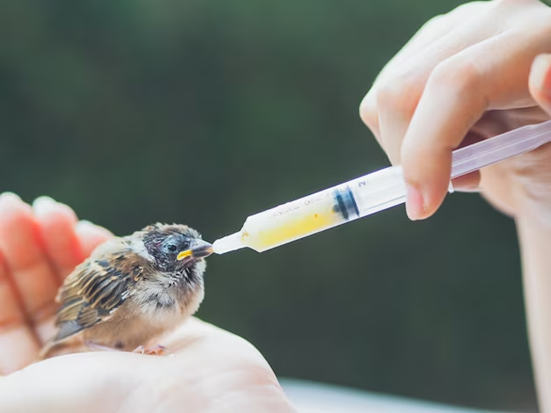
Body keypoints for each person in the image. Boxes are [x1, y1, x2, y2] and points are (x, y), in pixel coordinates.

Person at [1, 0, 550, 411]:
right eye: (182, 252)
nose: (196, 256)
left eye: (195, 250)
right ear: (155, 255)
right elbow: (81, 313)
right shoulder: (124, 270)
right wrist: (77, 340)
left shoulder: (181, 281)